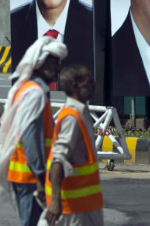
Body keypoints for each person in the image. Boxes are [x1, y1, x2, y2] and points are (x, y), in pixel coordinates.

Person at [0, 36, 69, 226]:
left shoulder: (30, 89)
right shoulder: (34, 94)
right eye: (55, 63)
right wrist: (41, 179)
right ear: (41, 63)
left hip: (28, 175)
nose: (59, 68)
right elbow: (30, 139)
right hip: (30, 178)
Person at [39, 65, 103, 226]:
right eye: (89, 81)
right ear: (75, 86)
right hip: (75, 211)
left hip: (86, 207)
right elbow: (57, 160)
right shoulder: (72, 118)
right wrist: (55, 202)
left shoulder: (81, 112)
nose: (94, 84)